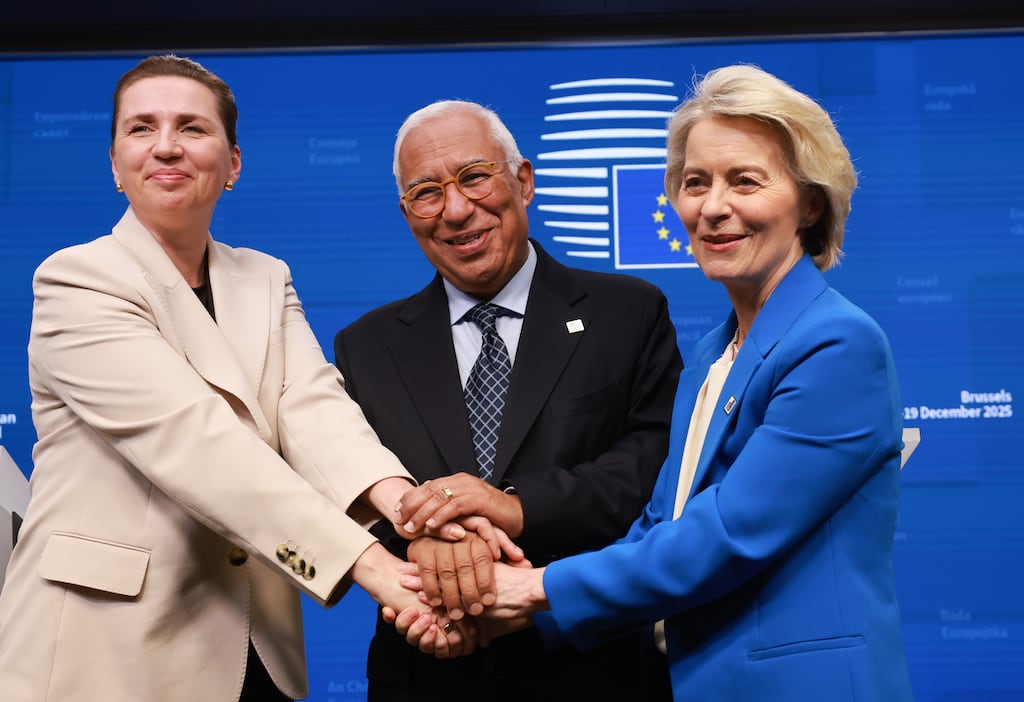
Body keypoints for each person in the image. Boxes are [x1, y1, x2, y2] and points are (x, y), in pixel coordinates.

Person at [441, 64, 916, 700]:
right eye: (696, 183)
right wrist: (509, 622)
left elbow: (727, 534)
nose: (713, 208)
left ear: (809, 201)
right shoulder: (712, 355)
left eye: (745, 181)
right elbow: (660, 530)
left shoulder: (837, 343)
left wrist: (530, 588)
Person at [0, 54, 456, 702]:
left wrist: (408, 511)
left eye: (191, 127)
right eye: (140, 128)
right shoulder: (77, 279)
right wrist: (371, 565)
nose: (165, 146)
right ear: (113, 166)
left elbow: (313, 408)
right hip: (107, 651)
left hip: (254, 648)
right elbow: (198, 444)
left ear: (233, 164)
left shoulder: (265, 276)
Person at [333, 99, 683, 701]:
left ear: (523, 181)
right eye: (426, 192)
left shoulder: (628, 313)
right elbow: (349, 486)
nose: (457, 210)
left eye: (474, 177)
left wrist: (514, 508)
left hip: (593, 668)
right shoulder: (366, 347)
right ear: (406, 212)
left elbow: (653, 467)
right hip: (425, 667)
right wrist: (432, 554)